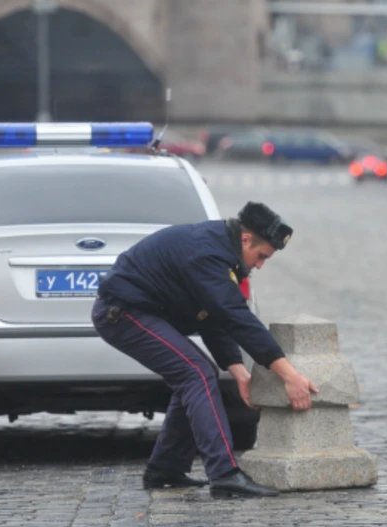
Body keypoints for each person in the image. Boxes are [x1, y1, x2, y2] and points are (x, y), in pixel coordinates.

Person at [92, 202, 319, 499]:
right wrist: (289, 375)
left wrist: (239, 372)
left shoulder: (220, 250)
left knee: (196, 375)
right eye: (261, 256)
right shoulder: (207, 253)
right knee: (196, 374)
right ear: (246, 239)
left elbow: (213, 316)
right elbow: (236, 317)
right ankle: (225, 474)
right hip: (122, 314)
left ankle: (166, 468)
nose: (261, 264)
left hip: (142, 312)